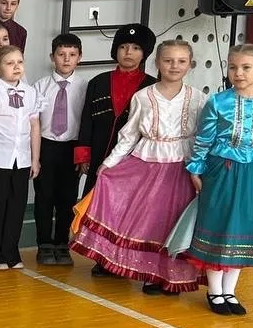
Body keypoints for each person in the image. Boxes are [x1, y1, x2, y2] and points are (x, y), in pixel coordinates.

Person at [71, 41, 205, 294]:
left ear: (190, 64)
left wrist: (201, 169)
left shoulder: (198, 99)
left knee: (177, 222)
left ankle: (173, 277)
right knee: (152, 222)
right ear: (157, 63)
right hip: (147, 166)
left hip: (184, 168)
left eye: (181, 61)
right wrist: (109, 164)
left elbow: (203, 138)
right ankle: (152, 275)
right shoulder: (143, 97)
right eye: (168, 60)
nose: (174, 66)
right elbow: (129, 135)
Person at [183, 44, 253, 315]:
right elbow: (203, 139)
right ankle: (214, 291)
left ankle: (229, 291)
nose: (238, 73)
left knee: (243, 228)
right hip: (222, 172)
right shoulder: (218, 102)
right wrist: (196, 169)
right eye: (233, 67)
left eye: (246, 67)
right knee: (219, 225)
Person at [0, 46, 40, 269]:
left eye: (19, 62)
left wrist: (35, 159)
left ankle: (10, 251)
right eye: (9, 63)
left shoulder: (31, 93)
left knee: (16, 206)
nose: (16, 67)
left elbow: (35, 127)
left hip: (21, 159)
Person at [76, 23, 157, 197]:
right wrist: (83, 155)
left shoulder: (152, 87)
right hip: (99, 152)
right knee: (94, 198)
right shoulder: (98, 82)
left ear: (144, 53)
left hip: (135, 157)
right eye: (123, 47)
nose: (128, 52)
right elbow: (87, 120)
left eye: (136, 48)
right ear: (115, 50)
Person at [31, 33, 87, 265]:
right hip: (45, 145)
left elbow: (87, 123)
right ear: (52, 57)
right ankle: (44, 243)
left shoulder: (85, 87)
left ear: (79, 58)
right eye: (61, 54)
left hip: (72, 147)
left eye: (72, 55)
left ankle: (62, 244)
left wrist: (84, 154)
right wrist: (34, 155)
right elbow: (33, 121)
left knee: (67, 198)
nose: (66, 59)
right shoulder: (39, 86)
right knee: (44, 196)